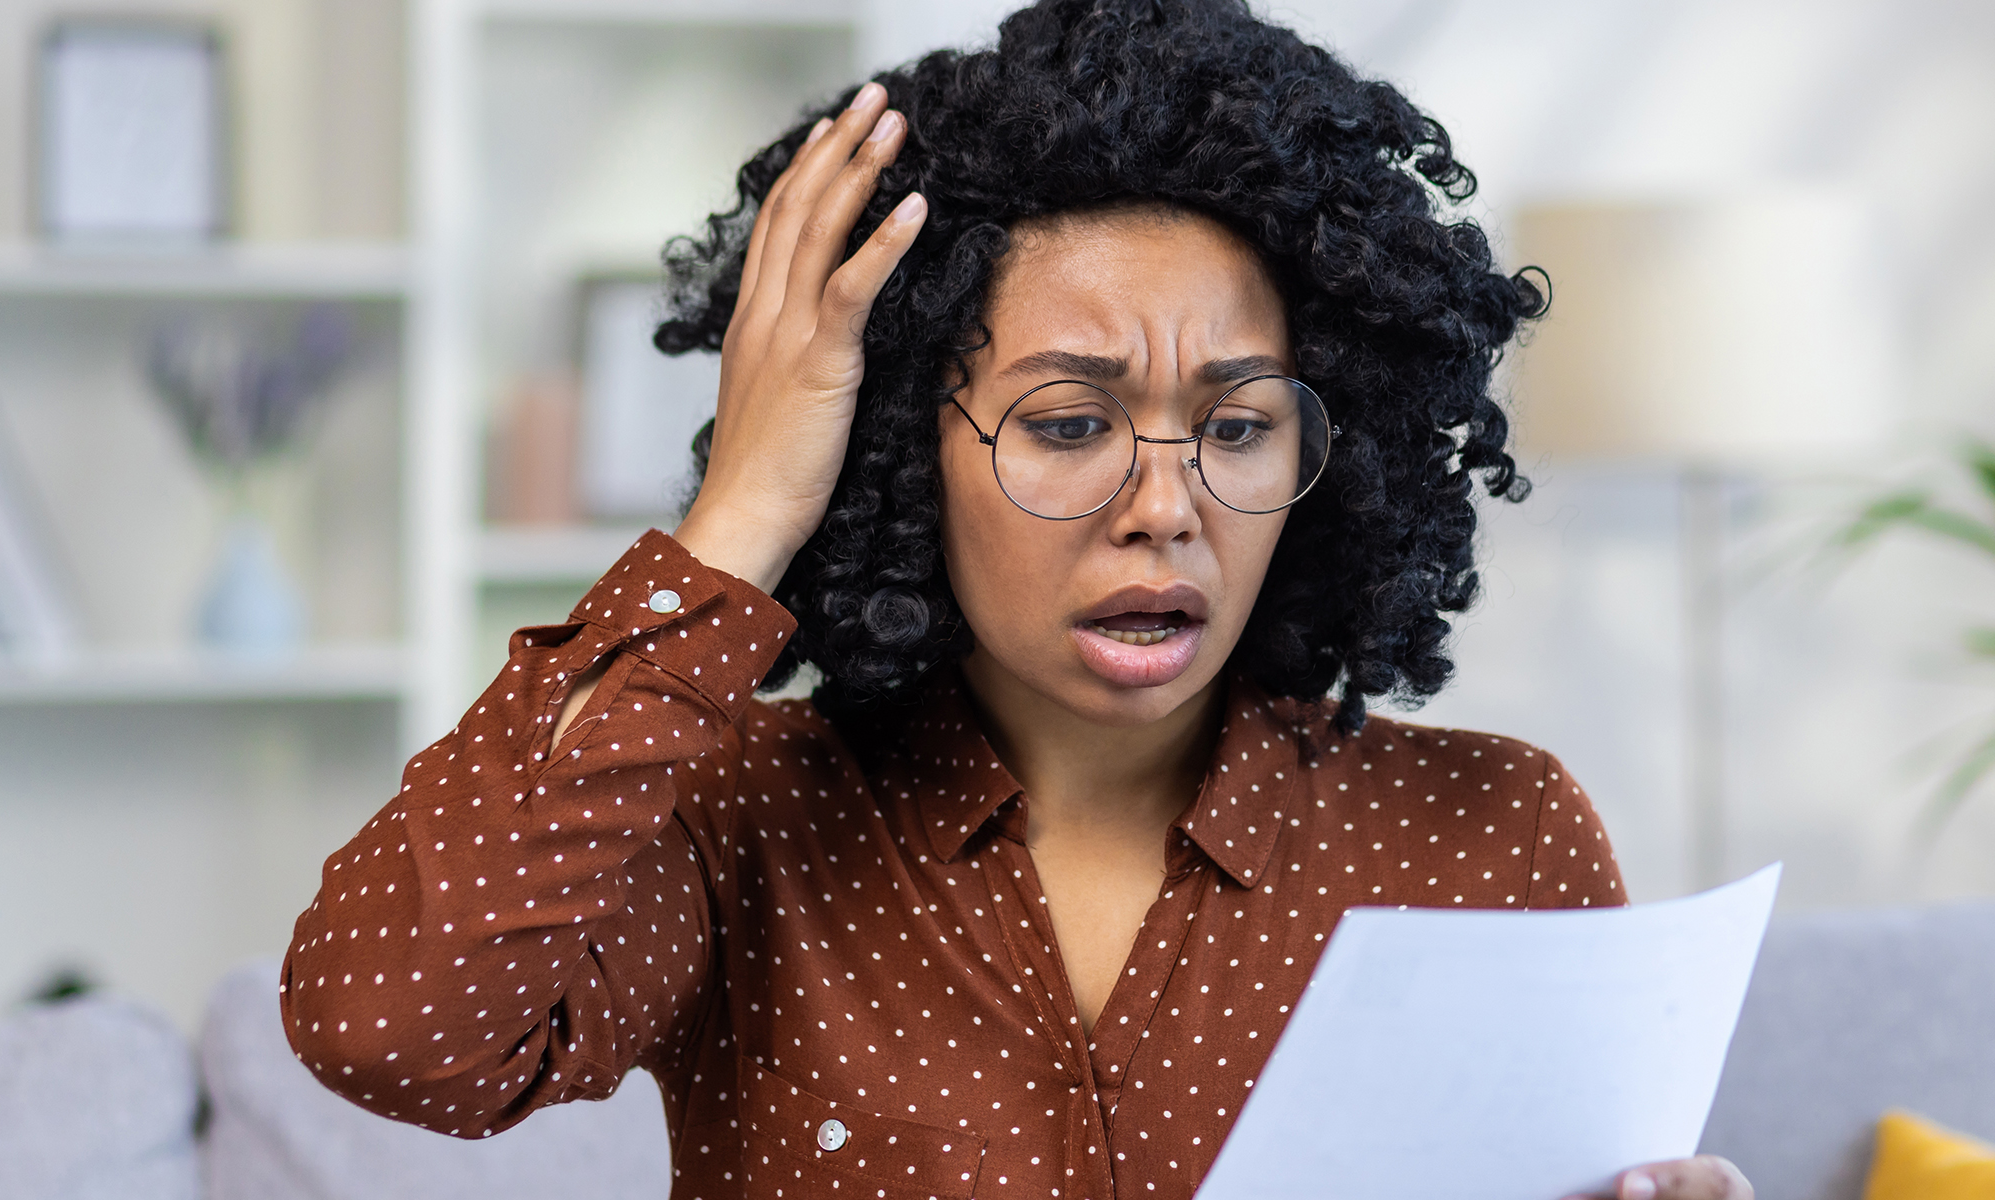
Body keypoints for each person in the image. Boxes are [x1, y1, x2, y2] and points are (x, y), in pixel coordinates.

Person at [281, 3, 1750, 1198]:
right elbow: (393, 1029)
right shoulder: (742, 825)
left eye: (1236, 428)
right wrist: (741, 514)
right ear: (901, 450)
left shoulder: (1494, 839)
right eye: (1067, 424)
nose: (1166, 503)